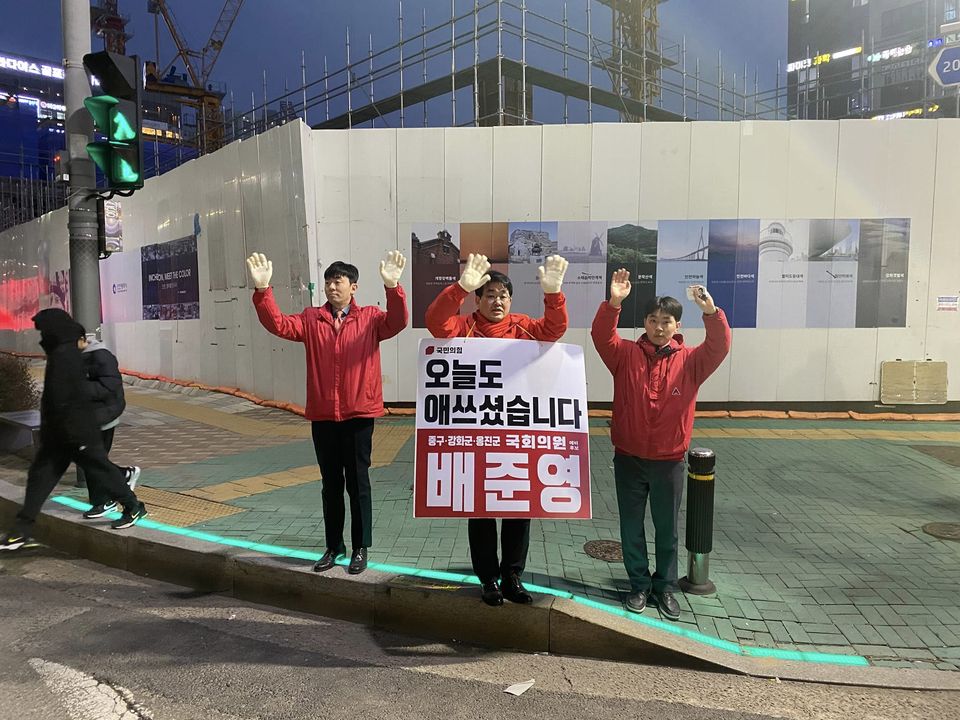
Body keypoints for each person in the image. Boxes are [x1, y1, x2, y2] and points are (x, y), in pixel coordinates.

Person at [247, 250, 408, 575]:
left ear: (354, 287)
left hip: (359, 415)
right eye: (328, 282)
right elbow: (278, 324)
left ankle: (360, 547)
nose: (332, 287)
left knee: (358, 484)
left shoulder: (371, 319)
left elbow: (398, 321)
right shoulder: (312, 319)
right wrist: (263, 291)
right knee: (330, 485)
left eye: (339, 281)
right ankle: (334, 547)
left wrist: (393, 288)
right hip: (323, 416)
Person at [426, 253, 569, 606]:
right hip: (474, 436)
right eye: (489, 295)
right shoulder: (463, 328)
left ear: (511, 300)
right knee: (480, 508)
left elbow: (555, 330)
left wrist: (553, 295)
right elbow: (435, 322)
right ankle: (488, 578)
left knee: (520, 506)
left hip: (517, 435)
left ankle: (512, 577)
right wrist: (459, 288)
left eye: (503, 295)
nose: (497, 302)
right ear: (477, 300)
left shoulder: (524, 327)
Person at [591, 272, 731, 621]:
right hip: (628, 458)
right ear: (644, 323)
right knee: (631, 527)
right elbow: (601, 336)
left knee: (667, 530)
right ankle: (639, 584)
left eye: (665, 321)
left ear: (677, 326)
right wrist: (614, 303)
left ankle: (665, 587)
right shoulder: (625, 355)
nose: (658, 327)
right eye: (652, 320)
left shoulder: (691, 361)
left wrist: (711, 312)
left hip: (669, 462)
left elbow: (719, 346)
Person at [0, 309, 147, 551]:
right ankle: (21, 531)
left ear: (55, 331)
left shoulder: (68, 356)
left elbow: (73, 396)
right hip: (59, 434)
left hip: (78, 433)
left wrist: (70, 431)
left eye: (43, 332)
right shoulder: (60, 353)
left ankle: (133, 507)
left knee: (101, 471)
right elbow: (54, 399)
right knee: (39, 479)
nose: (41, 337)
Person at [75, 330, 141, 519]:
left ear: (82, 339)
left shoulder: (101, 356)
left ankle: (120, 501)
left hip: (103, 416)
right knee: (90, 460)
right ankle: (109, 495)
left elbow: (110, 386)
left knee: (95, 461)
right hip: (85, 417)